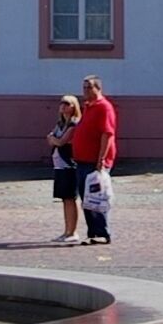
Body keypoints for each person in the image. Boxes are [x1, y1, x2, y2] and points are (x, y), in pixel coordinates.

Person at [70, 75, 118, 244]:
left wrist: (101, 159)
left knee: (97, 197)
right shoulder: (88, 107)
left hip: (94, 162)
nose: (85, 91)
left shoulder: (104, 107)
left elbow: (107, 134)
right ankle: (93, 233)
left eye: (89, 87)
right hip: (82, 160)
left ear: (98, 88)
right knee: (87, 199)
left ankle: (103, 233)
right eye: (84, 87)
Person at [47, 94, 86, 245]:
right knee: (64, 199)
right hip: (59, 165)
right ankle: (66, 231)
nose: (63, 106)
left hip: (69, 165)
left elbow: (61, 141)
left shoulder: (74, 124)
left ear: (73, 106)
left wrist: (54, 140)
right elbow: (50, 138)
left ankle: (73, 231)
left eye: (67, 103)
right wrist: (53, 140)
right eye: (61, 103)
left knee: (70, 198)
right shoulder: (60, 123)